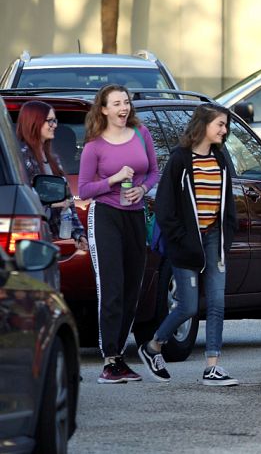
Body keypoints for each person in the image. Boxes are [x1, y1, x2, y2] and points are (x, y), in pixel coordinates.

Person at [138, 104, 239, 386]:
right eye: (220, 124)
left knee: (217, 303)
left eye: (226, 125)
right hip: (185, 244)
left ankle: (212, 367)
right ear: (203, 125)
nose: (224, 130)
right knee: (188, 307)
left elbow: (228, 203)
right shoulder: (180, 160)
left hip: (214, 239)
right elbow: (164, 207)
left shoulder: (220, 159)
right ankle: (153, 346)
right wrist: (182, 240)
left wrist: (227, 235)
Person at [79, 84, 159, 383]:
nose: (123, 108)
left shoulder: (141, 133)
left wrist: (143, 188)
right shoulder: (94, 146)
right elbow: (85, 190)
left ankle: (120, 357)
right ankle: (109, 360)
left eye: (126, 102)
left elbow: (154, 171)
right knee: (111, 289)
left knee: (131, 290)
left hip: (135, 215)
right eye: (116, 104)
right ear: (103, 109)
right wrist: (113, 179)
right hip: (106, 217)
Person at [15, 100, 88, 250]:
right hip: (31, 240)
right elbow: (22, 202)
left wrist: (78, 234)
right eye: (50, 121)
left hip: (52, 240)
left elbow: (68, 200)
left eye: (55, 120)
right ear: (34, 122)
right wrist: (54, 204)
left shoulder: (52, 158)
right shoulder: (22, 159)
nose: (54, 125)